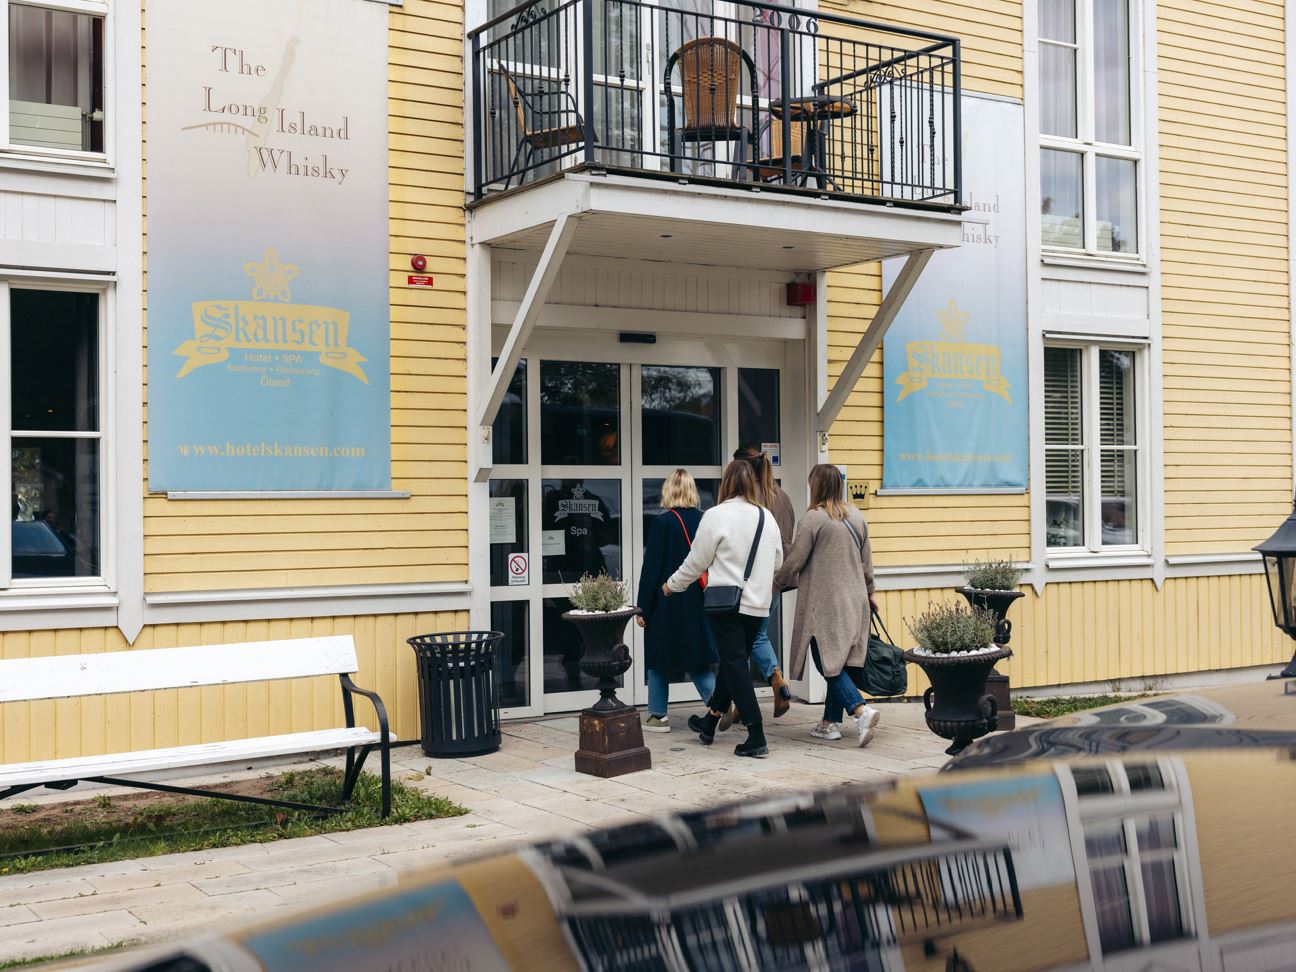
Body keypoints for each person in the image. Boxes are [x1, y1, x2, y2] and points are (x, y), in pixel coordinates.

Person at [664, 459, 783, 757]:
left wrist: (671, 585)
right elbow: (778, 561)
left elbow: (696, 562)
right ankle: (709, 721)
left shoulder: (716, 516)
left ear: (727, 482)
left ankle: (756, 734)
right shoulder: (766, 516)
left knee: (734, 665)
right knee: (735, 663)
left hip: (726, 605)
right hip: (758, 605)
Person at [772, 463, 882, 748]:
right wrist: (870, 593)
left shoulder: (813, 519)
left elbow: (795, 561)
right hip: (856, 600)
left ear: (816, 486)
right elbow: (867, 564)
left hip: (825, 604)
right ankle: (828, 723)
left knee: (826, 663)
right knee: (841, 662)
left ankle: (860, 711)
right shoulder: (857, 517)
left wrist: (775, 583)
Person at [719, 444, 796, 729]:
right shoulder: (782, 496)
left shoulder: (750, 500)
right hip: (777, 577)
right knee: (753, 637)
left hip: (750, 580)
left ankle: (776, 679)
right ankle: (742, 704)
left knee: (748, 640)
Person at [635, 469, 718, 732]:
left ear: (668, 491)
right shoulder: (705, 520)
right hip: (699, 599)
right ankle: (719, 704)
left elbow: (652, 569)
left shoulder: (662, 523)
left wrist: (643, 607)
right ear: (692, 491)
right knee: (696, 657)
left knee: (658, 658)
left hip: (666, 599)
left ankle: (657, 716)